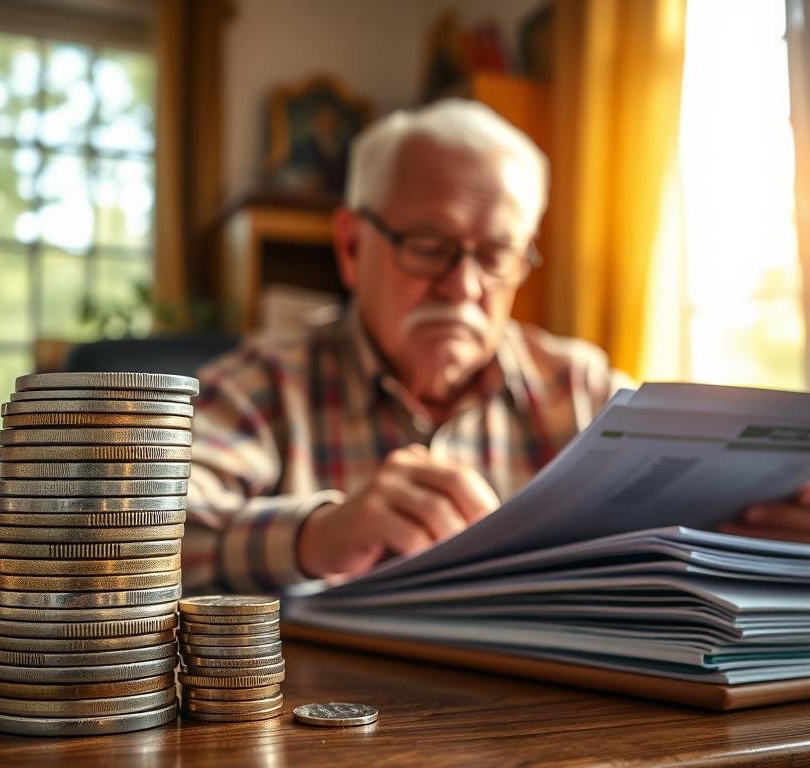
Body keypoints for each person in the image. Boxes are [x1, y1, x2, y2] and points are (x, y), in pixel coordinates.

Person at [182, 98, 810, 593]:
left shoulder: (581, 388)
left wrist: (772, 525)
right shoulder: (261, 385)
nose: (463, 285)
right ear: (351, 247)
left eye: (497, 254)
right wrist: (314, 535)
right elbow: (133, 539)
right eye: (429, 245)